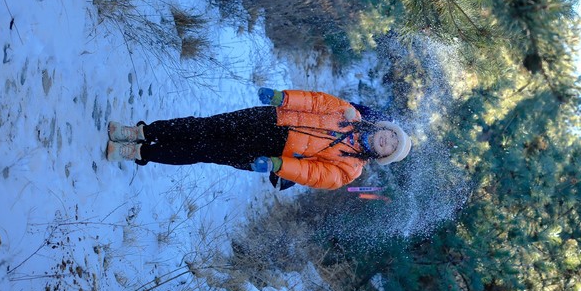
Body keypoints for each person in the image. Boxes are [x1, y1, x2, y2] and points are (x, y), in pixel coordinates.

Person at [105, 88, 412, 190]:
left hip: (270, 152)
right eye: (391, 135)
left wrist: (278, 165)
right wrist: (283, 97)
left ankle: (138, 152)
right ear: (383, 128)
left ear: (383, 156)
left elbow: (313, 174)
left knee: (204, 150)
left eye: (391, 147)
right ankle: (141, 132)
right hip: (270, 119)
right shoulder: (349, 114)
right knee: (204, 126)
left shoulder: (349, 170)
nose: (387, 141)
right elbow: (316, 102)